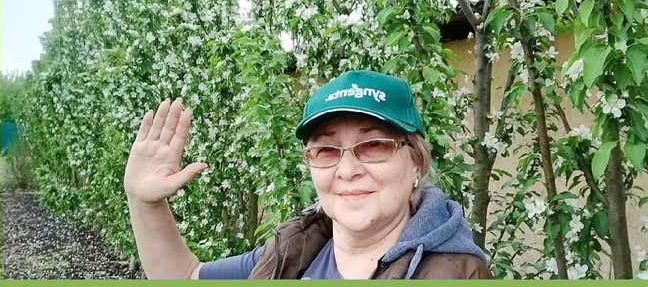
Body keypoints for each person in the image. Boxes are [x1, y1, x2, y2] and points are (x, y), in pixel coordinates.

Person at [124, 70, 492, 279]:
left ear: (416, 163)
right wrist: (145, 203)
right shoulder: (294, 253)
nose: (347, 170)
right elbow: (185, 276)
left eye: (374, 145)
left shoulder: (456, 276)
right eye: (327, 150)